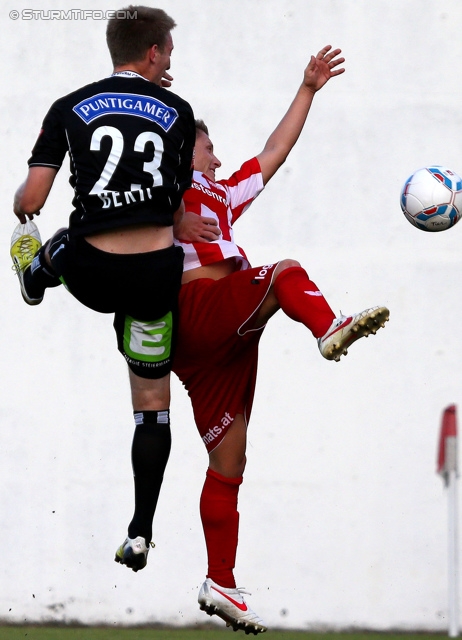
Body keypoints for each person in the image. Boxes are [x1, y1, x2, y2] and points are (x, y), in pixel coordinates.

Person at [171, 47, 390, 634]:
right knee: (283, 272)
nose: (217, 158)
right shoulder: (164, 187)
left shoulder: (222, 196)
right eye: (208, 147)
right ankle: (328, 327)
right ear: (182, 149)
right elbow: (122, 218)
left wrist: (308, 90)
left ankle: (220, 581)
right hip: (200, 311)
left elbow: (272, 153)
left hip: (221, 345)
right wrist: (171, 221)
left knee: (229, 460)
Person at [10, 6, 196, 572]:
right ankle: (140, 532)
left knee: (57, 240)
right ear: (153, 53)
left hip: (91, 269)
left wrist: (21, 208)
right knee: (151, 406)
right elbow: (177, 204)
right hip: (154, 278)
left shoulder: (68, 106)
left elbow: (32, 199)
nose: (172, 59)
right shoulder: (181, 113)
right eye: (169, 50)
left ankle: (34, 274)